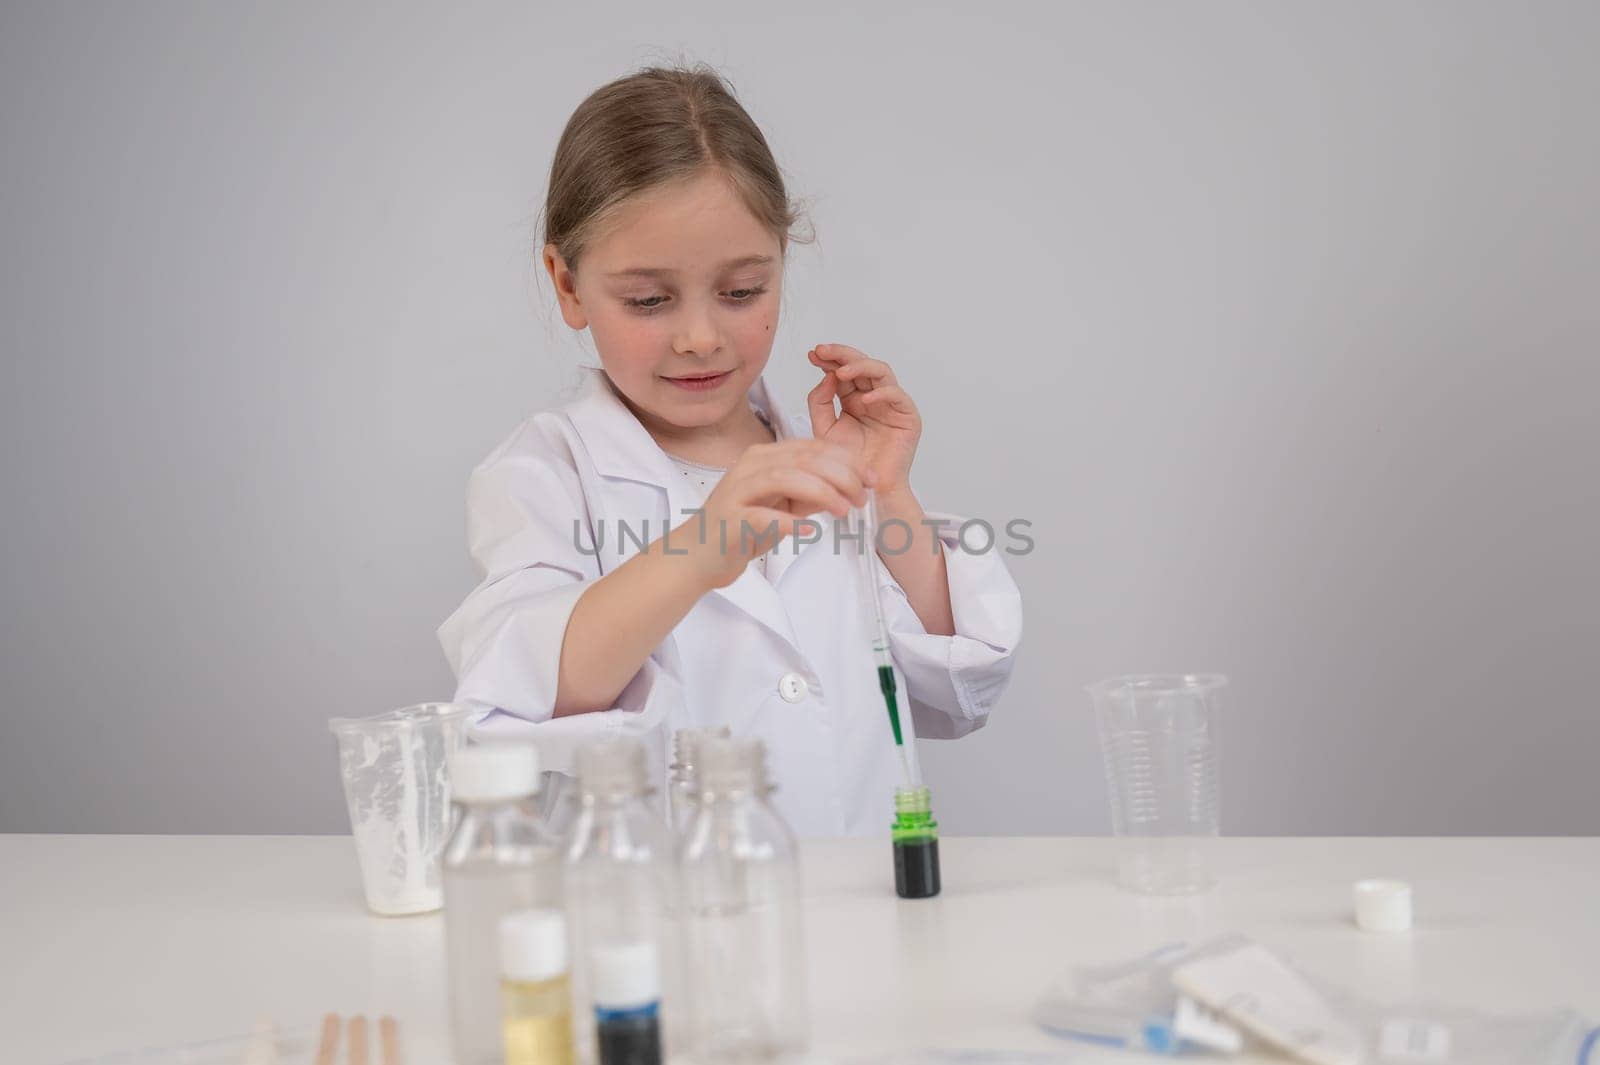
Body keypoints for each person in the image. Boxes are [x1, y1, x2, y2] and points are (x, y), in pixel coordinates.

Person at [437, 64, 1023, 836]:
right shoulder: (544, 473)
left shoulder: (822, 459)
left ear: (781, 259)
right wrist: (706, 548)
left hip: (868, 910)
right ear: (568, 285)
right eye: (648, 300)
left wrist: (888, 496)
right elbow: (526, 688)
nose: (700, 336)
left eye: (742, 290)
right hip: (676, 921)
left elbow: (959, 684)